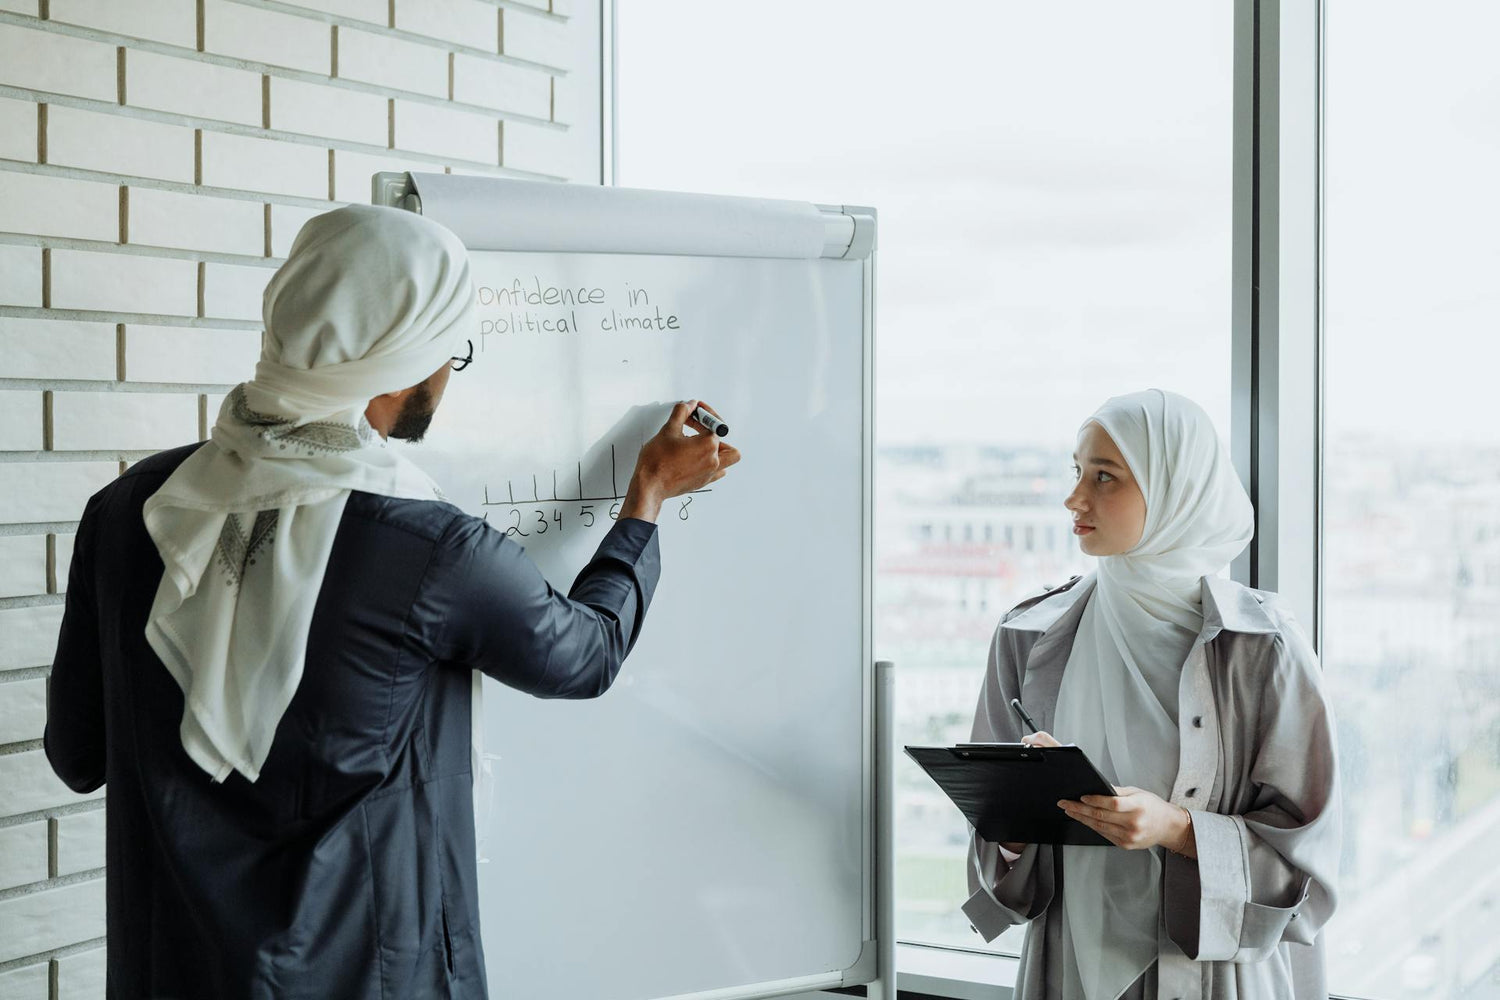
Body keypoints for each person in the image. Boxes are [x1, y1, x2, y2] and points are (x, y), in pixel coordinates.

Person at [43, 205, 740, 999]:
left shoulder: (132, 508)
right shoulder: (431, 549)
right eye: (453, 349)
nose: (449, 371)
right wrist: (646, 496)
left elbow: (78, 755)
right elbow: (584, 654)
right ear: (401, 358)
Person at [963, 389, 1340, 1000]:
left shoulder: (1261, 649)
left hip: (1216, 974)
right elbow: (993, 846)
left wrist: (1177, 829)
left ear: (1176, 490)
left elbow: (1310, 861)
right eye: (1077, 472)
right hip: (1068, 964)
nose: (1075, 498)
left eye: (1105, 477)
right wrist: (1017, 814)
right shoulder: (1028, 636)